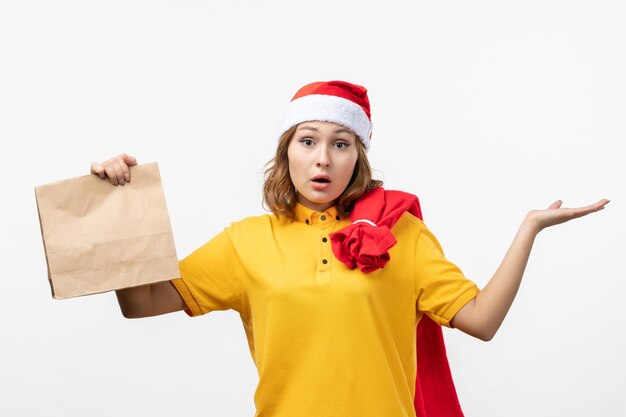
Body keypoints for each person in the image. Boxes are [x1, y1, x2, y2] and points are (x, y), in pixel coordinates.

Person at [90, 80, 609, 417]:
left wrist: (529, 230)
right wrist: (119, 210)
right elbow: (140, 303)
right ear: (285, 153)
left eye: (340, 144)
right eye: (308, 140)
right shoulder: (246, 242)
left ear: (356, 158)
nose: (323, 158)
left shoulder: (401, 235)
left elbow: (481, 321)